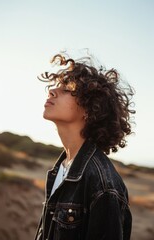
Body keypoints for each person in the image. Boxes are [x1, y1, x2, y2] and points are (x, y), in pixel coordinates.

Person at [34, 52, 135, 240]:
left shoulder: (103, 184)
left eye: (66, 90)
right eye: (56, 86)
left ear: (90, 108)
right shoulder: (62, 168)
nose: (52, 91)